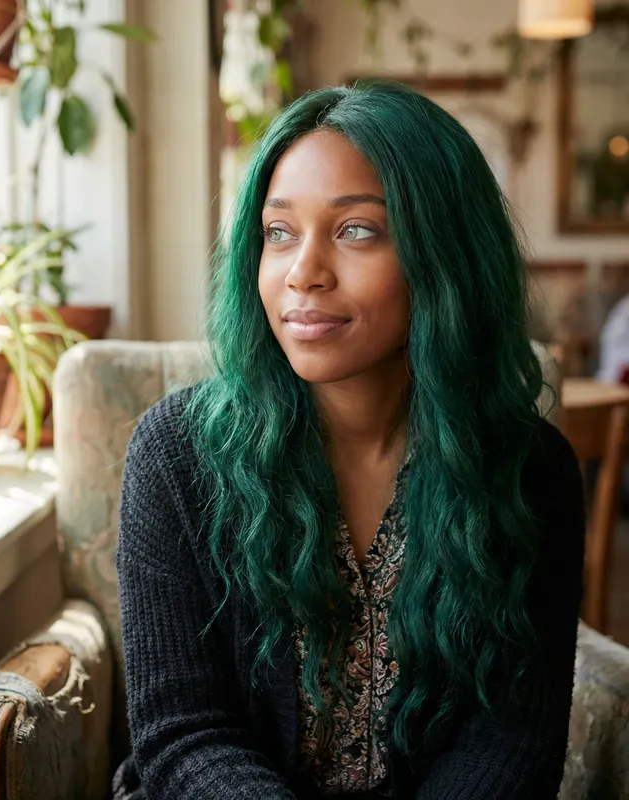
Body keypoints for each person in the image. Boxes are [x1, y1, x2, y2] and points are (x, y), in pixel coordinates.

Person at [113, 83, 585, 799]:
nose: (303, 272)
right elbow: (184, 733)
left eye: (355, 230)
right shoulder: (176, 457)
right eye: (278, 233)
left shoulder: (531, 476)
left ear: (442, 256)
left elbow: (512, 741)